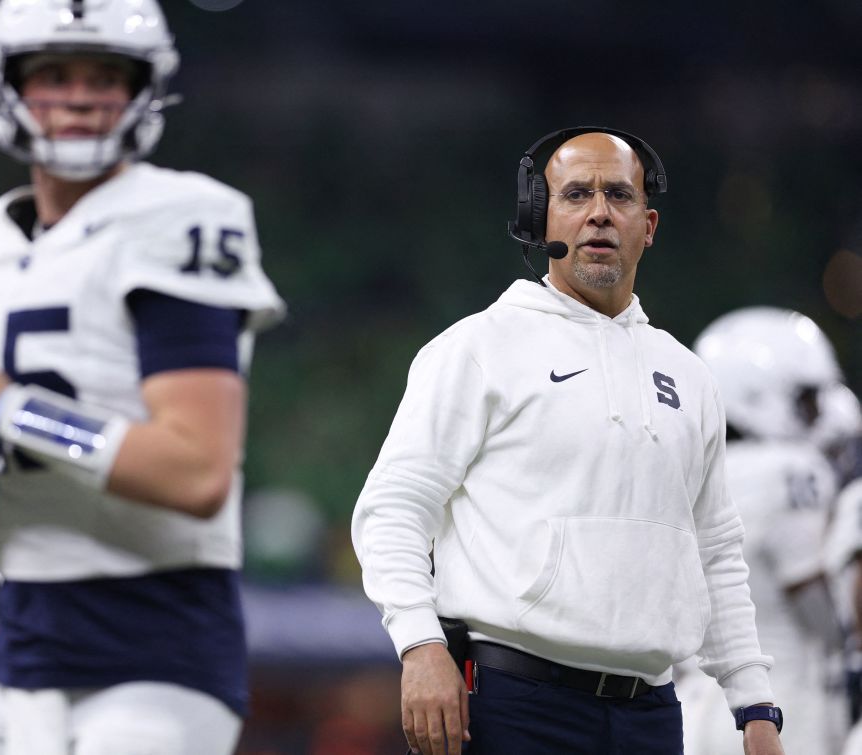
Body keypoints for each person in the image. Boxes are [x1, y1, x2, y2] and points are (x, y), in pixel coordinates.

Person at [0, 0, 284, 753]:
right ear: (10, 86)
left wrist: (0, 402)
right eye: (53, 74)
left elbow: (196, 470)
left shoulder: (182, 216)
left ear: (144, 89)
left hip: (156, 649)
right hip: (22, 642)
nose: (79, 95)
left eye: (104, 75)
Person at [351, 127, 785, 755]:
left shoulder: (690, 376)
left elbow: (715, 549)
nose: (600, 213)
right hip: (511, 702)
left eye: (620, 196)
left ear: (649, 224)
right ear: (538, 217)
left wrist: (754, 704)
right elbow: (394, 510)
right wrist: (420, 646)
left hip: (652, 713)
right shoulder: (476, 348)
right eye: (577, 194)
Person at [675, 307, 847, 755]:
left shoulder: (690, 466)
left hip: (693, 701)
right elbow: (809, 593)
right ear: (755, 393)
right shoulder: (790, 469)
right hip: (779, 700)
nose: (818, 413)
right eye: (806, 399)